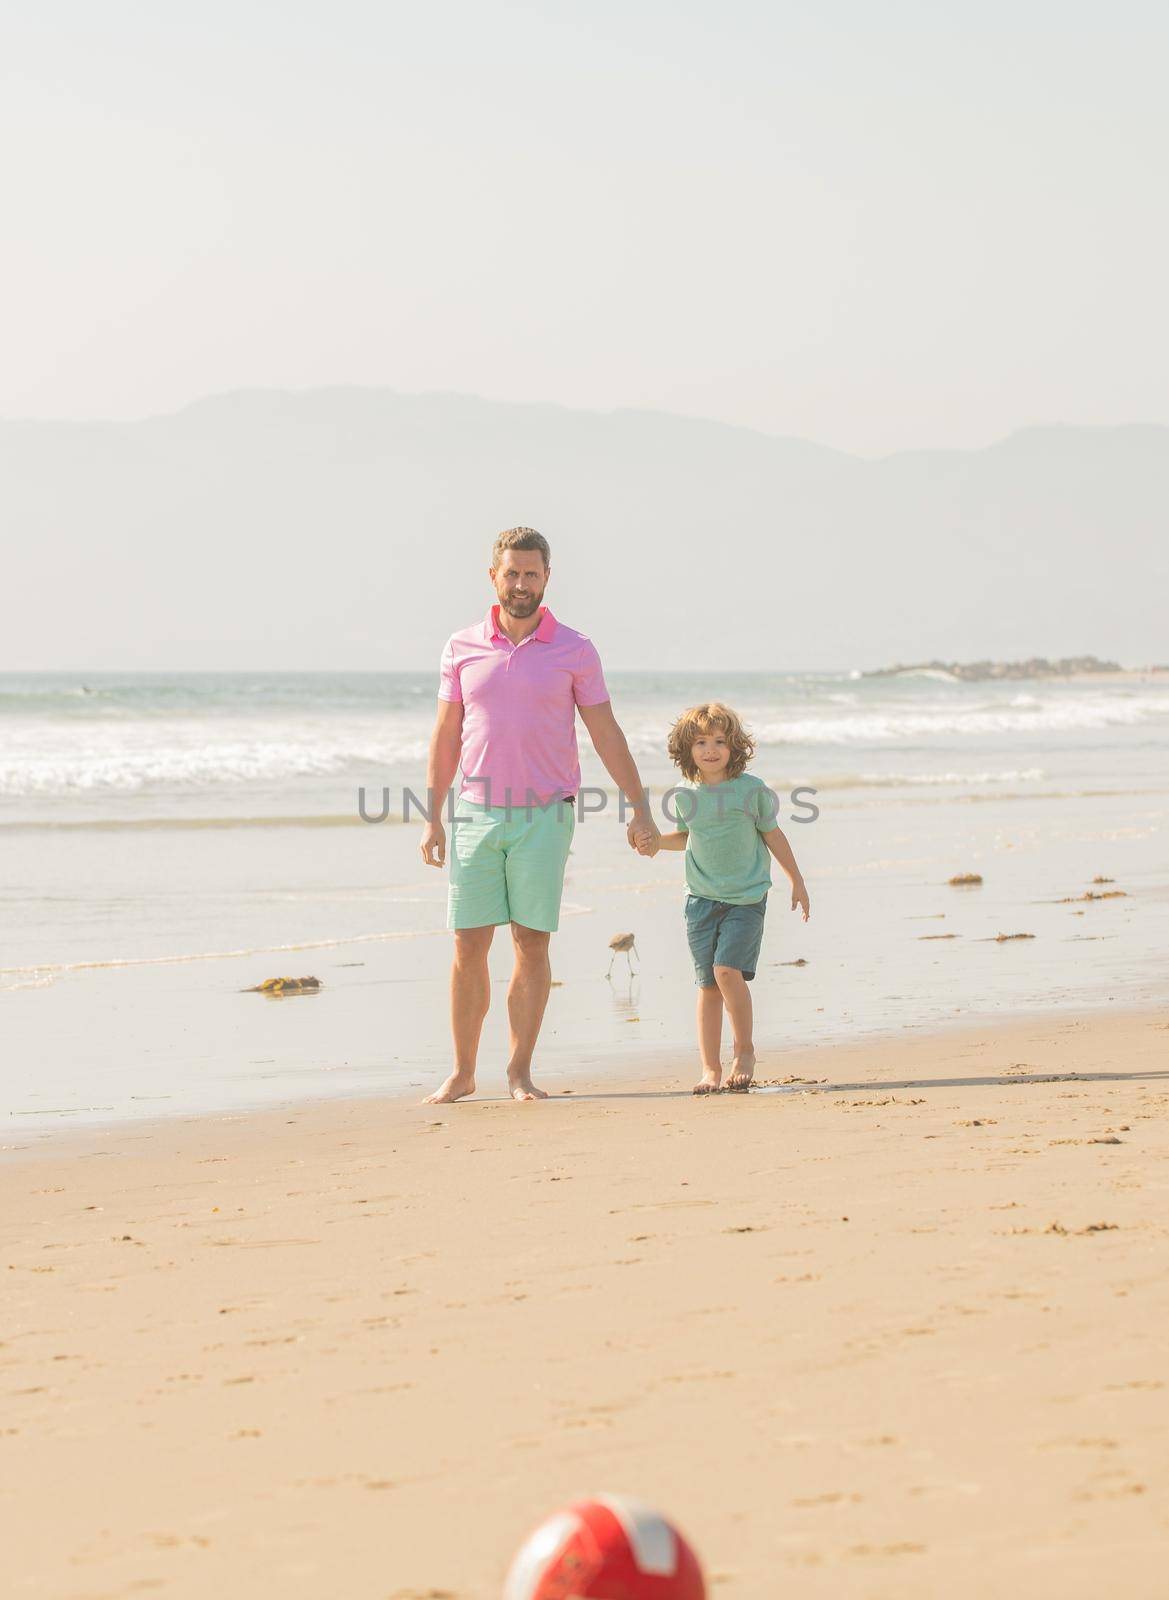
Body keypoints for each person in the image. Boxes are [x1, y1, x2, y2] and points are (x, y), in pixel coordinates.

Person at [419, 527, 660, 1103]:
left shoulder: (575, 649)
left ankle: (520, 1071)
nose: (521, 583)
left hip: (545, 815)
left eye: (531, 573)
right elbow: (447, 734)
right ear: (493, 577)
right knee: (468, 944)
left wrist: (639, 807)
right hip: (475, 813)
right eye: (511, 573)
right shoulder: (461, 646)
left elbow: (605, 732)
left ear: (547, 577)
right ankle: (462, 1072)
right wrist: (433, 816)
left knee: (531, 942)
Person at [635, 701, 810, 1093]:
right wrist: (655, 845)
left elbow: (773, 834)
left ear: (735, 747)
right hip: (699, 900)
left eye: (719, 741)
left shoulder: (751, 790)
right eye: (700, 742)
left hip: (746, 899)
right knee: (708, 986)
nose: (710, 749)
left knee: (726, 972)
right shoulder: (684, 793)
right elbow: (686, 838)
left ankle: (744, 1050)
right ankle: (710, 1069)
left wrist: (796, 879)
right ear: (686, 749)